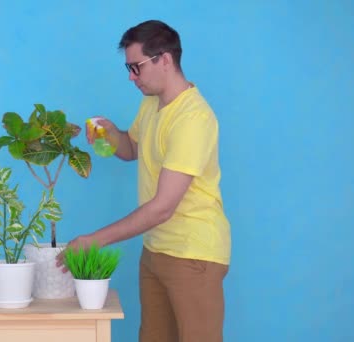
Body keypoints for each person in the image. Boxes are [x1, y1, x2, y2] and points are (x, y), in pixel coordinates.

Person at [57, 20, 231, 342]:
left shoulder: (193, 118)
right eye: (128, 68)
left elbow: (163, 207)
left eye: (136, 67)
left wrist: (95, 240)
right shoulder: (152, 102)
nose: (131, 77)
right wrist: (109, 136)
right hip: (155, 250)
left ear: (164, 59)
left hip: (193, 255)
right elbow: (133, 148)